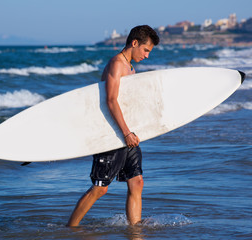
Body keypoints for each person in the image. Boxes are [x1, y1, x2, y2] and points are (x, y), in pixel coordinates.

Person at [67, 25, 160, 227]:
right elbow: (111, 101)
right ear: (134, 43)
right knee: (100, 188)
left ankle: (134, 229)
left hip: (127, 132)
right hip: (113, 134)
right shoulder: (117, 64)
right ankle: (70, 229)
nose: (146, 56)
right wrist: (126, 133)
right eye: (146, 50)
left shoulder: (130, 67)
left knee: (137, 182)